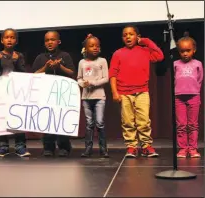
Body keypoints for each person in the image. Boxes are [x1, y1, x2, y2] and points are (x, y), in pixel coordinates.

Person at [109, 25, 164, 158]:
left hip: (142, 91)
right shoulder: (118, 53)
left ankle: (146, 146)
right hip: (124, 93)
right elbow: (113, 74)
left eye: (131, 34)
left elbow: (160, 56)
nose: (128, 37)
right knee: (127, 121)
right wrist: (114, 92)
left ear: (137, 36)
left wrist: (145, 41)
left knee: (144, 120)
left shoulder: (144, 51)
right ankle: (131, 146)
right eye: (125, 35)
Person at [32, 30, 75, 157]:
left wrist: (59, 66)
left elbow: (72, 72)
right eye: (47, 40)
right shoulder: (40, 57)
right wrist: (45, 68)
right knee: (48, 120)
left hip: (62, 94)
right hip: (46, 93)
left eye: (52, 40)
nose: (50, 42)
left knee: (61, 119)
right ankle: (48, 146)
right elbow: (34, 74)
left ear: (58, 41)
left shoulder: (65, 55)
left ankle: (64, 146)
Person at [0, 28, 31, 157]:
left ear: (16, 40)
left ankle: (20, 146)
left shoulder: (19, 56)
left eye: (12, 37)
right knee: (2, 118)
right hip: (2, 90)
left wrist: (15, 61)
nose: (9, 39)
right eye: (7, 37)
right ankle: (3, 146)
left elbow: (22, 73)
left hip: (16, 91)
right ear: (2, 40)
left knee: (18, 117)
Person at [77, 34, 109, 158]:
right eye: (91, 46)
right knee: (89, 123)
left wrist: (93, 83)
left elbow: (106, 78)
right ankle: (88, 149)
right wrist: (82, 84)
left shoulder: (102, 61)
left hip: (99, 96)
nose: (95, 48)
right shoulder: (82, 62)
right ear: (85, 48)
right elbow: (79, 78)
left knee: (100, 122)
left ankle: (103, 149)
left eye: (97, 45)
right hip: (86, 97)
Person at [174, 32, 203, 158]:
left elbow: (200, 79)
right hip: (179, 97)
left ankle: (192, 148)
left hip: (194, 96)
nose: (185, 53)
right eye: (182, 51)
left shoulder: (198, 64)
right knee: (181, 124)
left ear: (194, 50)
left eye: (188, 50)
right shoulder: (175, 64)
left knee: (193, 124)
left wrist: (195, 90)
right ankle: (182, 148)